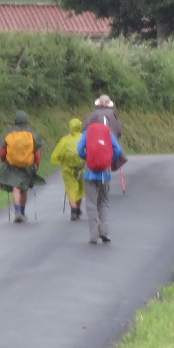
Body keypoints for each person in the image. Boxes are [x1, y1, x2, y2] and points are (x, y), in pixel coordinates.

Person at [77, 115, 125, 244]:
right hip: (104, 174)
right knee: (103, 202)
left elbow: (79, 149)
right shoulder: (108, 132)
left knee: (90, 203)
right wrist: (109, 159)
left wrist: (87, 157)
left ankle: (93, 235)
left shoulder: (88, 132)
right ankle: (104, 231)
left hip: (90, 174)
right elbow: (118, 149)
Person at [0, 111, 46, 223]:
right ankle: (22, 212)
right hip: (28, 165)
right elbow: (36, 152)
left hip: (13, 165)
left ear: (15, 120)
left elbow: (3, 151)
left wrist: (4, 160)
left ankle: (17, 212)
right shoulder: (32, 133)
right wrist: (36, 165)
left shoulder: (9, 133)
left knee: (16, 187)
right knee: (23, 189)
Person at [49, 117, 86, 221]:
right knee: (80, 187)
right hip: (82, 168)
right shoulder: (84, 138)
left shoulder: (65, 140)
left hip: (68, 169)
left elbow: (57, 155)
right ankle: (78, 209)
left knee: (71, 188)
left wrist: (61, 159)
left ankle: (73, 209)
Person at [82, 94, 127, 170]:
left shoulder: (93, 114)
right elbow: (119, 130)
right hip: (108, 144)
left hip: (94, 146)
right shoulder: (112, 114)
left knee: (90, 166)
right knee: (107, 163)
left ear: (99, 103)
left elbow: (84, 129)